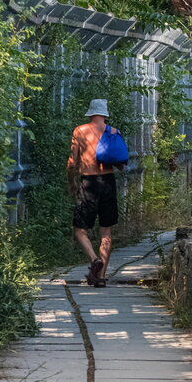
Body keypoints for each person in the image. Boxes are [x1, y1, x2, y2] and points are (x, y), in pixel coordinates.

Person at [66, 99, 120, 287]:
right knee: (106, 230)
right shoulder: (112, 131)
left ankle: (94, 259)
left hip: (88, 182)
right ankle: (101, 276)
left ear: (91, 113)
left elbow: (73, 162)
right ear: (104, 114)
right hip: (109, 182)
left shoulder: (80, 131)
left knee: (80, 230)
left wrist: (71, 182)